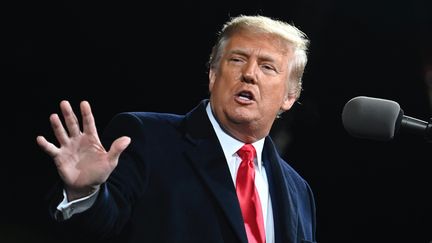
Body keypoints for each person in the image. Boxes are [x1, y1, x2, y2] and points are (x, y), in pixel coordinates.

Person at [37, 15, 317, 243]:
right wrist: (86, 194)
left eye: (267, 67)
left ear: (289, 96)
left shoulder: (298, 190)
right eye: (237, 59)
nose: (249, 73)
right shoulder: (147, 137)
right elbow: (103, 226)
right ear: (212, 74)